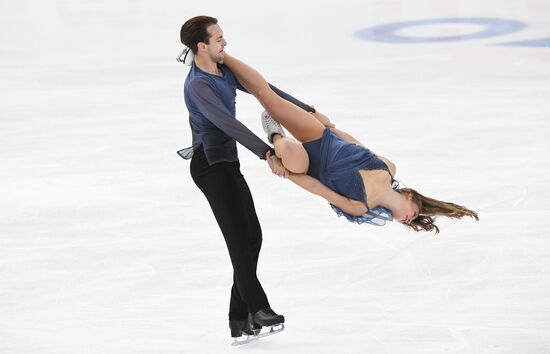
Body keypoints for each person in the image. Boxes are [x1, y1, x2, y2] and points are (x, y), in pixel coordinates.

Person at [177, 16, 328, 340]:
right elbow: (227, 125)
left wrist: (307, 109)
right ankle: (258, 307)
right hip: (210, 167)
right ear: (201, 46)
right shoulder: (198, 85)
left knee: (252, 237)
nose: (225, 43)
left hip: (227, 165)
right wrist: (267, 153)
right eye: (218, 39)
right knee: (239, 241)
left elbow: (265, 90)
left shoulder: (224, 70)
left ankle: (238, 317)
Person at [221, 53, 479, 233]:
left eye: (411, 222)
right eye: (416, 212)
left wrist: (284, 171)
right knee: (269, 97)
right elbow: (355, 143)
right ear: (410, 195)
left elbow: (317, 189)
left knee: (287, 148)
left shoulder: (359, 207)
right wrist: (327, 124)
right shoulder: (389, 168)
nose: (412, 219)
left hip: (305, 165)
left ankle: (275, 135)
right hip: (320, 137)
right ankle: (224, 58)